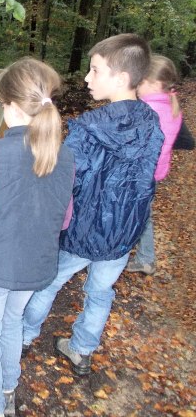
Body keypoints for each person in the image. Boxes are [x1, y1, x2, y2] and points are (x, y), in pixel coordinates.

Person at [22, 34, 164, 376]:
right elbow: (148, 181)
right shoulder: (152, 125)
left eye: (95, 70)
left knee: (48, 283)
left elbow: (64, 182)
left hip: (82, 230)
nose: (87, 78)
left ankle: (23, 336)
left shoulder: (89, 129)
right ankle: (82, 349)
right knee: (101, 291)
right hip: (122, 234)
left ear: (121, 78)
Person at [0, 58, 75, 417]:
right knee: (12, 323)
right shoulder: (65, 155)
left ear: (10, 106)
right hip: (35, 264)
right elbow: (65, 219)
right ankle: (8, 391)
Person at [126, 55, 182, 275]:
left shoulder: (148, 110)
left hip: (142, 173)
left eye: (140, 82)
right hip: (153, 172)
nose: (137, 86)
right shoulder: (170, 104)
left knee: (140, 214)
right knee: (143, 213)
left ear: (155, 84)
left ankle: (145, 257)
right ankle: (144, 256)